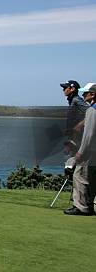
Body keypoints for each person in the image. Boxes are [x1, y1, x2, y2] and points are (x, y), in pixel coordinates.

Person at [64, 83, 96, 216]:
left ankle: (81, 207)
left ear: (93, 94)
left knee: (79, 175)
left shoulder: (92, 110)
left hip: (90, 151)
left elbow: (89, 135)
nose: (83, 95)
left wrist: (80, 152)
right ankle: (89, 204)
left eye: (86, 93)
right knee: (92, 177)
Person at [60, 80, 89, 145]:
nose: (63, 90)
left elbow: (91, 112)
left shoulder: (76, 100)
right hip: (74, 136)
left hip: (79, 136)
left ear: (72, 89)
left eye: (65, 88)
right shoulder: (72, 100)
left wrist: (80, 125)